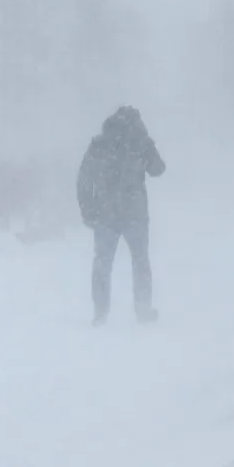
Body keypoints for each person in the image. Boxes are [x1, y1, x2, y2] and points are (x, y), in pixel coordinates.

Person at [76, 106, 166, 325]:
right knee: (140, 261)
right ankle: (143, 310)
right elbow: (158, 169)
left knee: (102, 263)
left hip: (105, 213)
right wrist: (147, 145)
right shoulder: (140, 142)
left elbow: (84, 179)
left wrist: (88, 209)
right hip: (135, 213)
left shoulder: (99, 143)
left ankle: (100, 313)